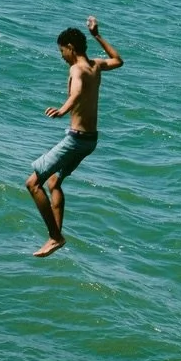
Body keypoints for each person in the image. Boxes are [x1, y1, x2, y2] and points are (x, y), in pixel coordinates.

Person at [25, 16, 123, 257]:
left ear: (70, 47)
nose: (62, 56)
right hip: (90, 140)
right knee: (54, 182)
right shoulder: (95, 65)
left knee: (33, 183)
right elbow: (118, 60)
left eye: (62, 51)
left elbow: (77, 92)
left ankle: (55, 237)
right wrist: (97, 35)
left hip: (76, 139)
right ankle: (56, 237)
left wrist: (62, 110)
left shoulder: (77, 69)